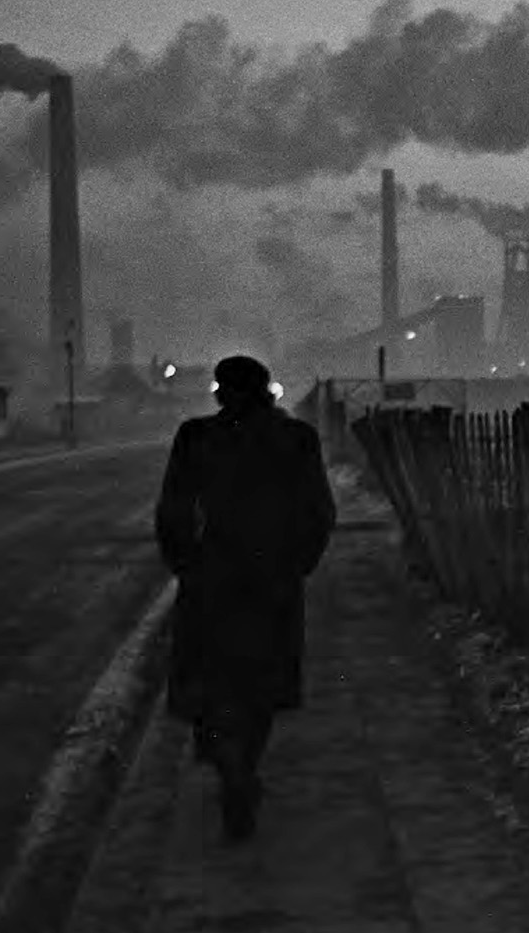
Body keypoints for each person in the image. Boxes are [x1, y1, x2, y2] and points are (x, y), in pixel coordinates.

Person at [154, 355, 335, 842]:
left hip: (212, 577)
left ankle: (230, 767)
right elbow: (319, 512)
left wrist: (185, 563)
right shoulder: (297, 439)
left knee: (211, 685)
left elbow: (173, 510)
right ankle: (243, 767)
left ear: (219, 393)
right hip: (272, 578)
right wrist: (297, 564)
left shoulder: (196, 437)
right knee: (261, 685)